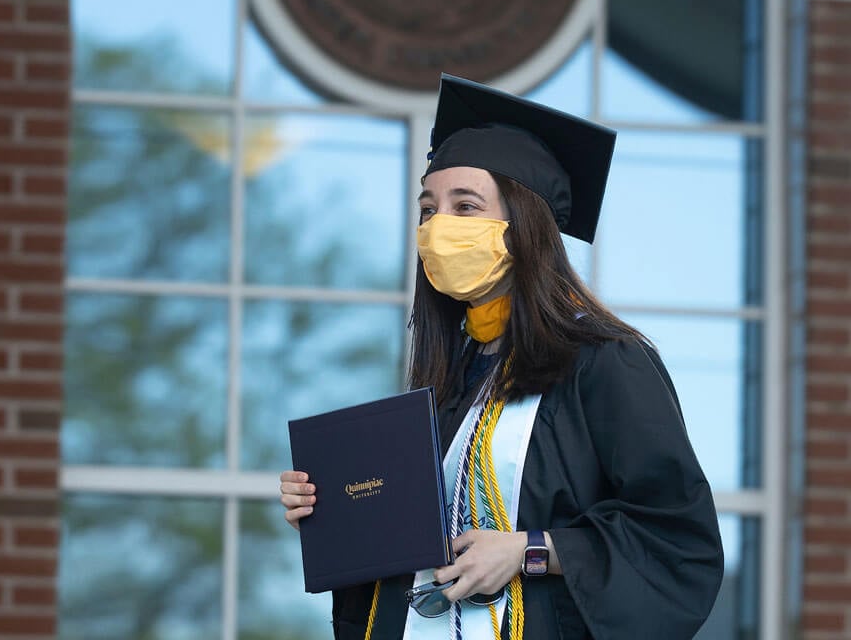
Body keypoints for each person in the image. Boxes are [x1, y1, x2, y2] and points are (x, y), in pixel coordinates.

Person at [279, 74, 723, 640]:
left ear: (524, 228)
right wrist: (333, 511)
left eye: (466, 207)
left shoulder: (607, 362)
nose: (439, 228)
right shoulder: (447, 383)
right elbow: (401, 561)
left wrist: (527, 551)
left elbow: (677, 543)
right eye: (428, 210)